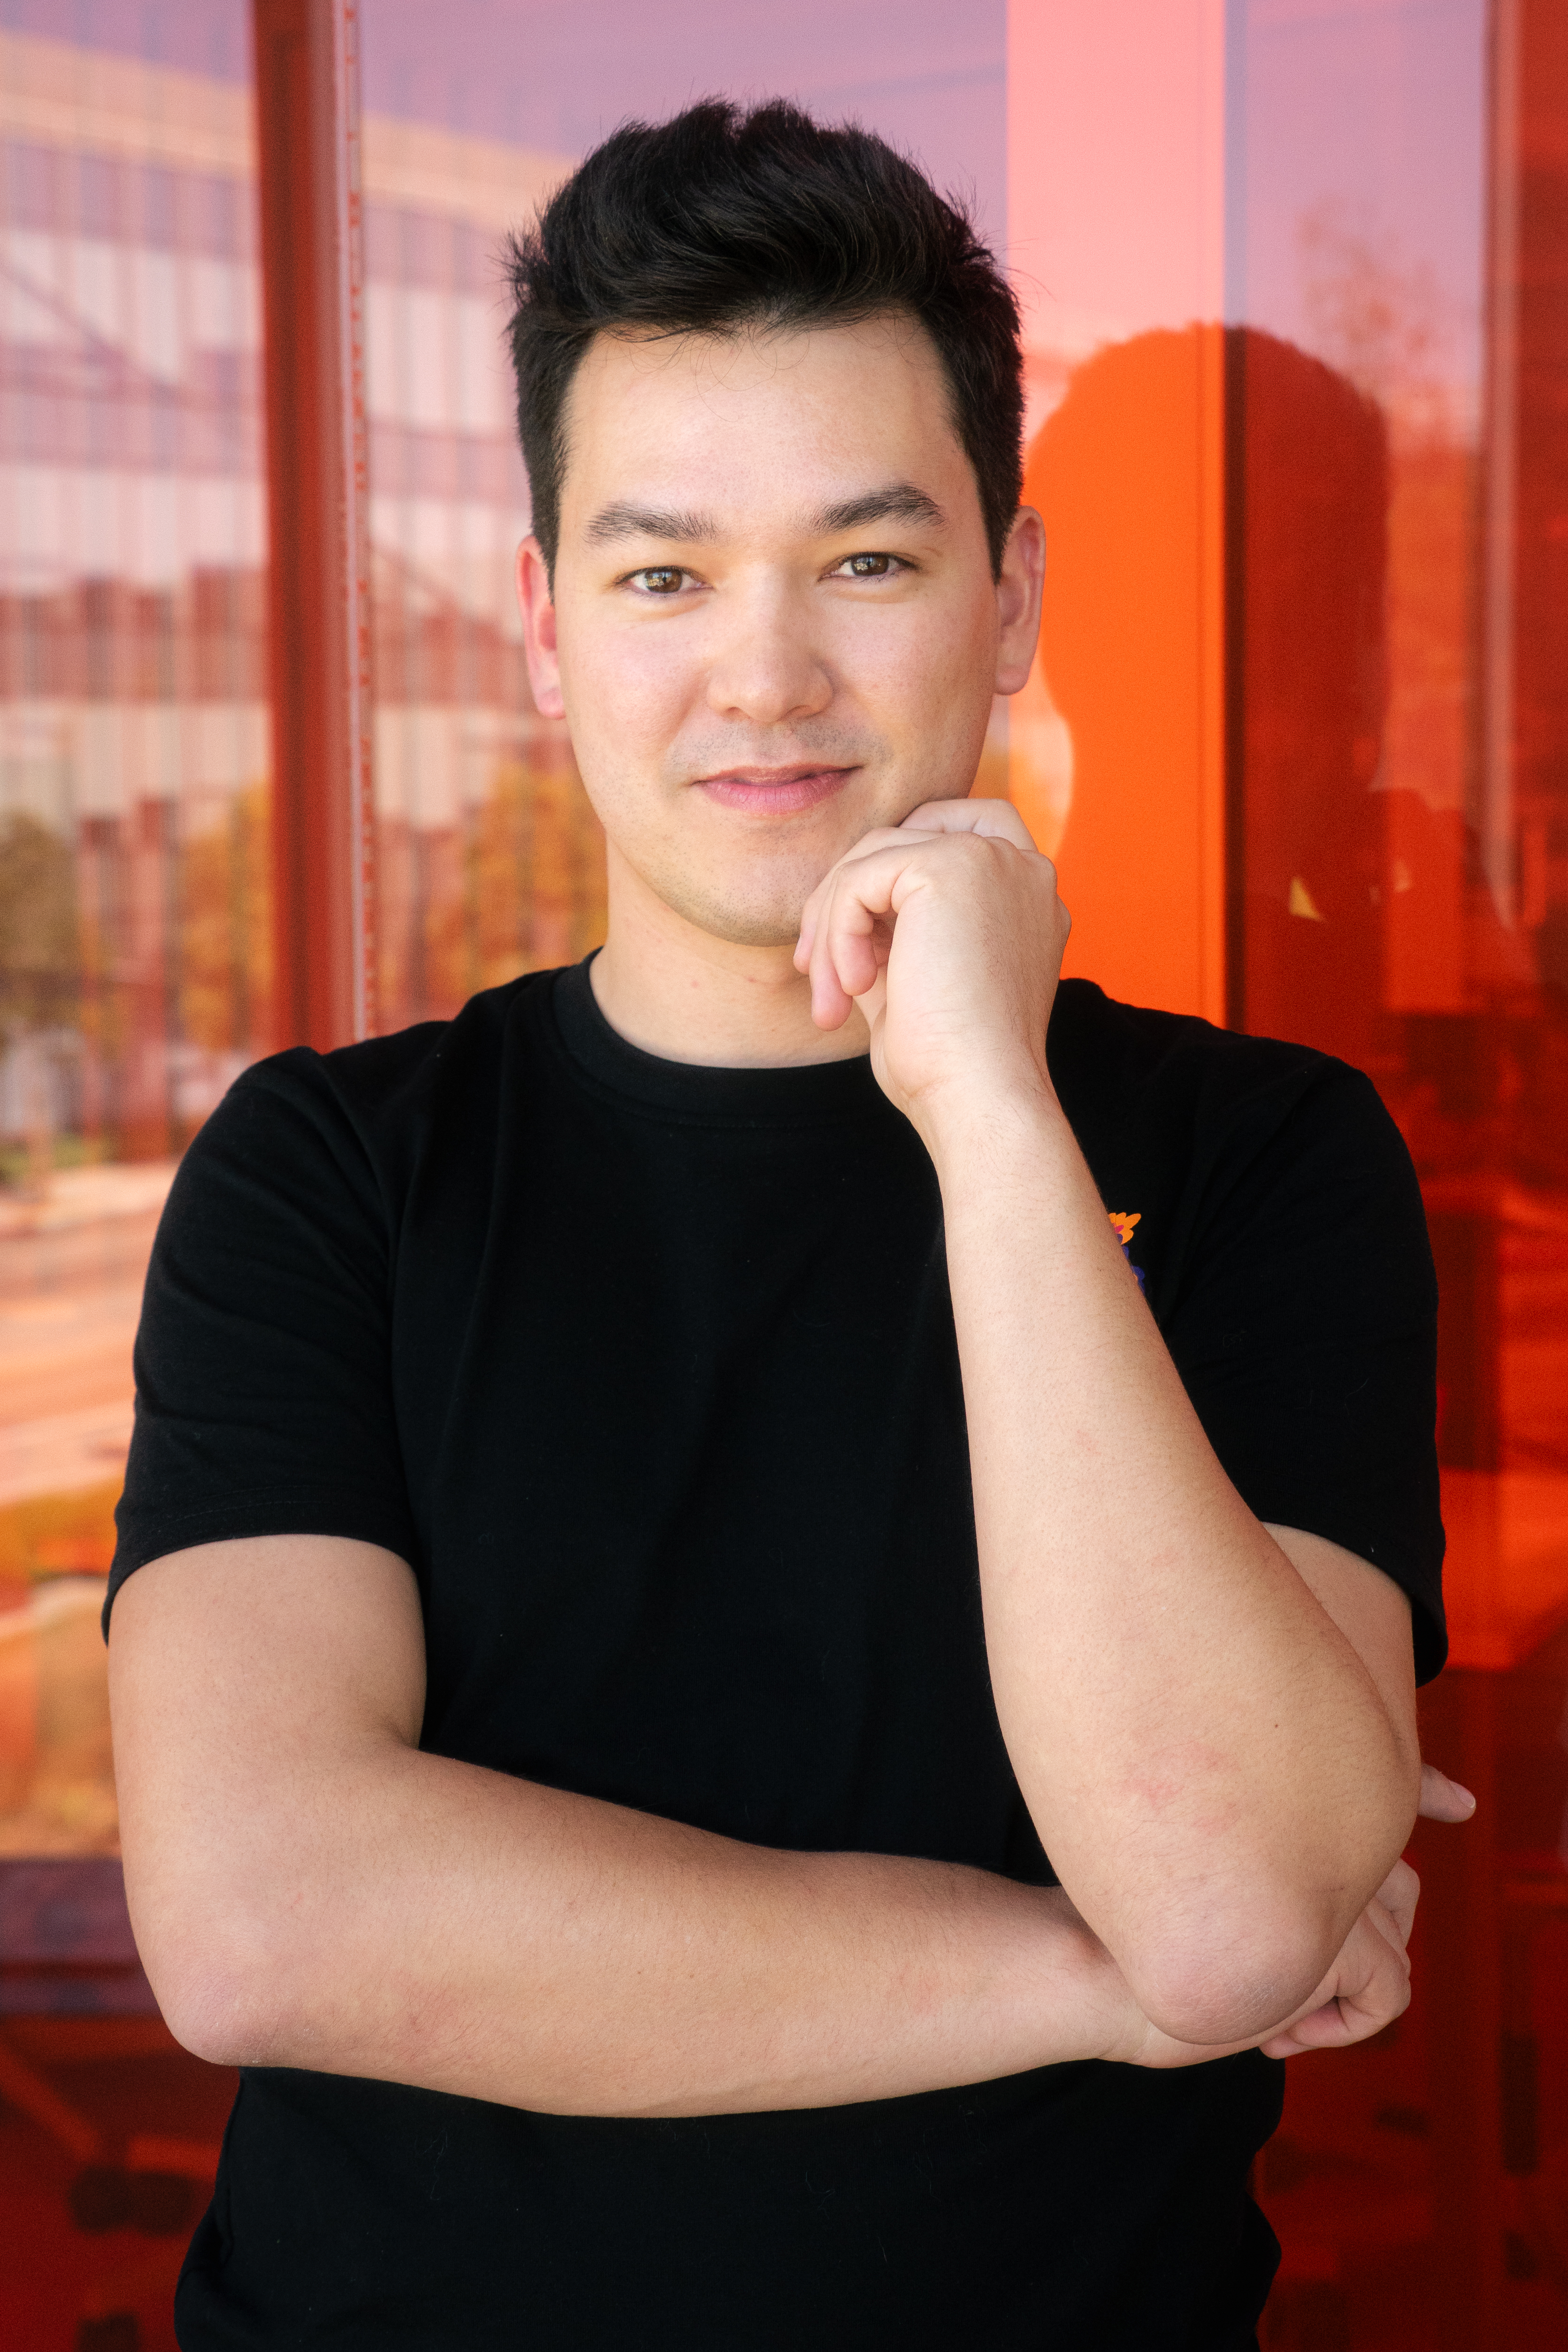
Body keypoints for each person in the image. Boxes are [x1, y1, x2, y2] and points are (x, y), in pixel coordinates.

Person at [107, 100, 1469, 2350]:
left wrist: (984, 1105)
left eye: (865, 558)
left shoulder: (1255, 1157)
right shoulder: (334, 1169)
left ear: (1008, 594)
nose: (761, 674)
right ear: (544, 627)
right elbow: (264, 1919)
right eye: (661, 573)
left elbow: (1227, 1898)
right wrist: (1088, 1977)